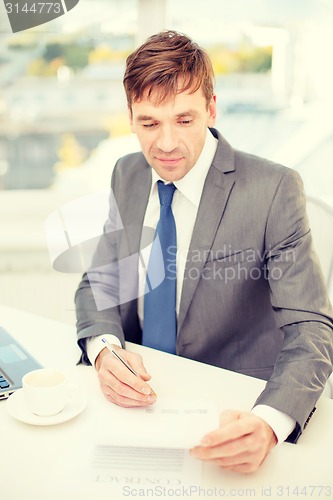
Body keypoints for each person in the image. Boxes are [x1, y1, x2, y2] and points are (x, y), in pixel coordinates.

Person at [75, 30, 333, 474]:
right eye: (149, 123)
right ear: (131, 117)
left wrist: (269, 423)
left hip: (235, 405)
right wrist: (104, 350)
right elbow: (100, 282)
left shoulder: (274, 189)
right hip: (139, 405)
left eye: (185, 119)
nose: (167, 144)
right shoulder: (128, 173)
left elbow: (312, 331)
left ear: (212, 109)